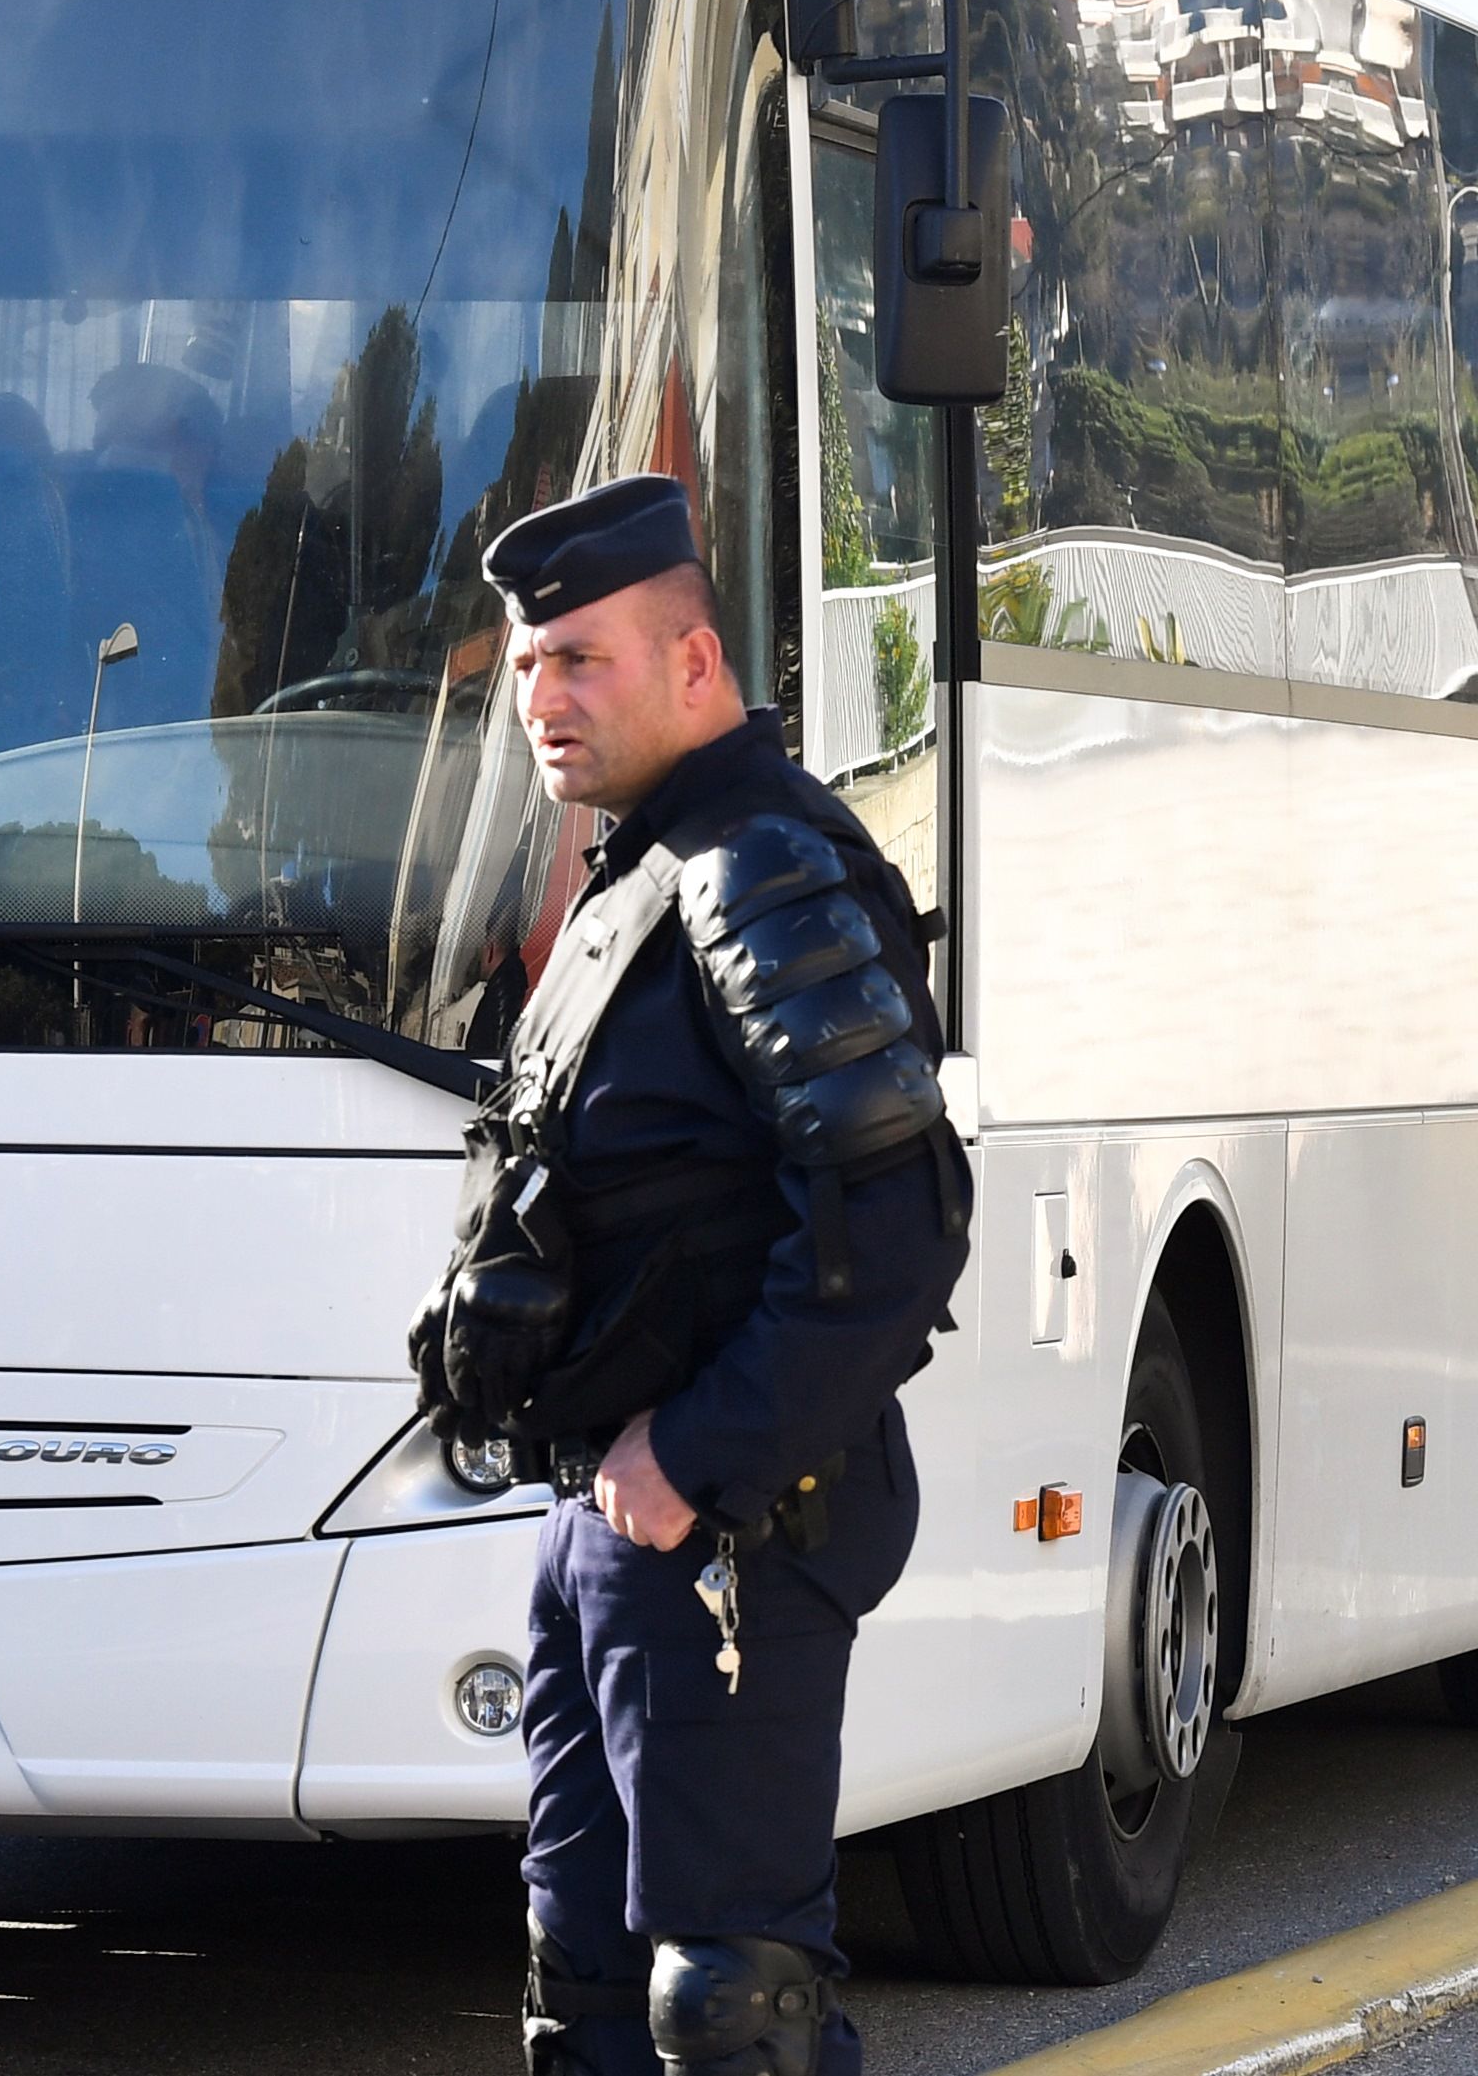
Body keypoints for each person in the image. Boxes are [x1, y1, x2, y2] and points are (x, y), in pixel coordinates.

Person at [411, 474, 969, 2076]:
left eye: (581, 660)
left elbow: (899, 1222)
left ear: (695, 665)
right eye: (527, 668)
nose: (545, 701)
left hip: (729, 1522)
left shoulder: (759, 867)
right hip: (606, 1519)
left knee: (729, 2002)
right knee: (580, 1986)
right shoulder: (642, 866)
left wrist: (695, 1458)